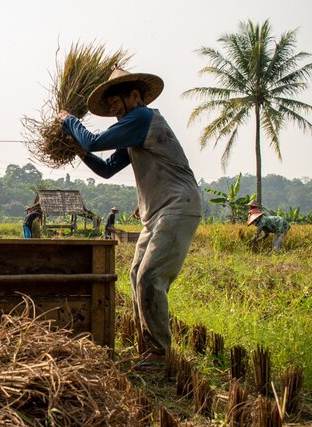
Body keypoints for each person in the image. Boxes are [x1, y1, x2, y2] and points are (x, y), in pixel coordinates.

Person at [58, 67, 201, 365]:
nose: (112, 111)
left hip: (177, 206)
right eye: (109, 107)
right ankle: (147, 348)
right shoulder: (134, 129)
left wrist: (68, 120)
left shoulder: (143, 117)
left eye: (115, 104)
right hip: (156, 212)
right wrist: (80, 152)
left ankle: (158, 354)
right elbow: (107, 168)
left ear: (134, 97)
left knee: (150, 276)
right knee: (137, 275)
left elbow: (94, 141)